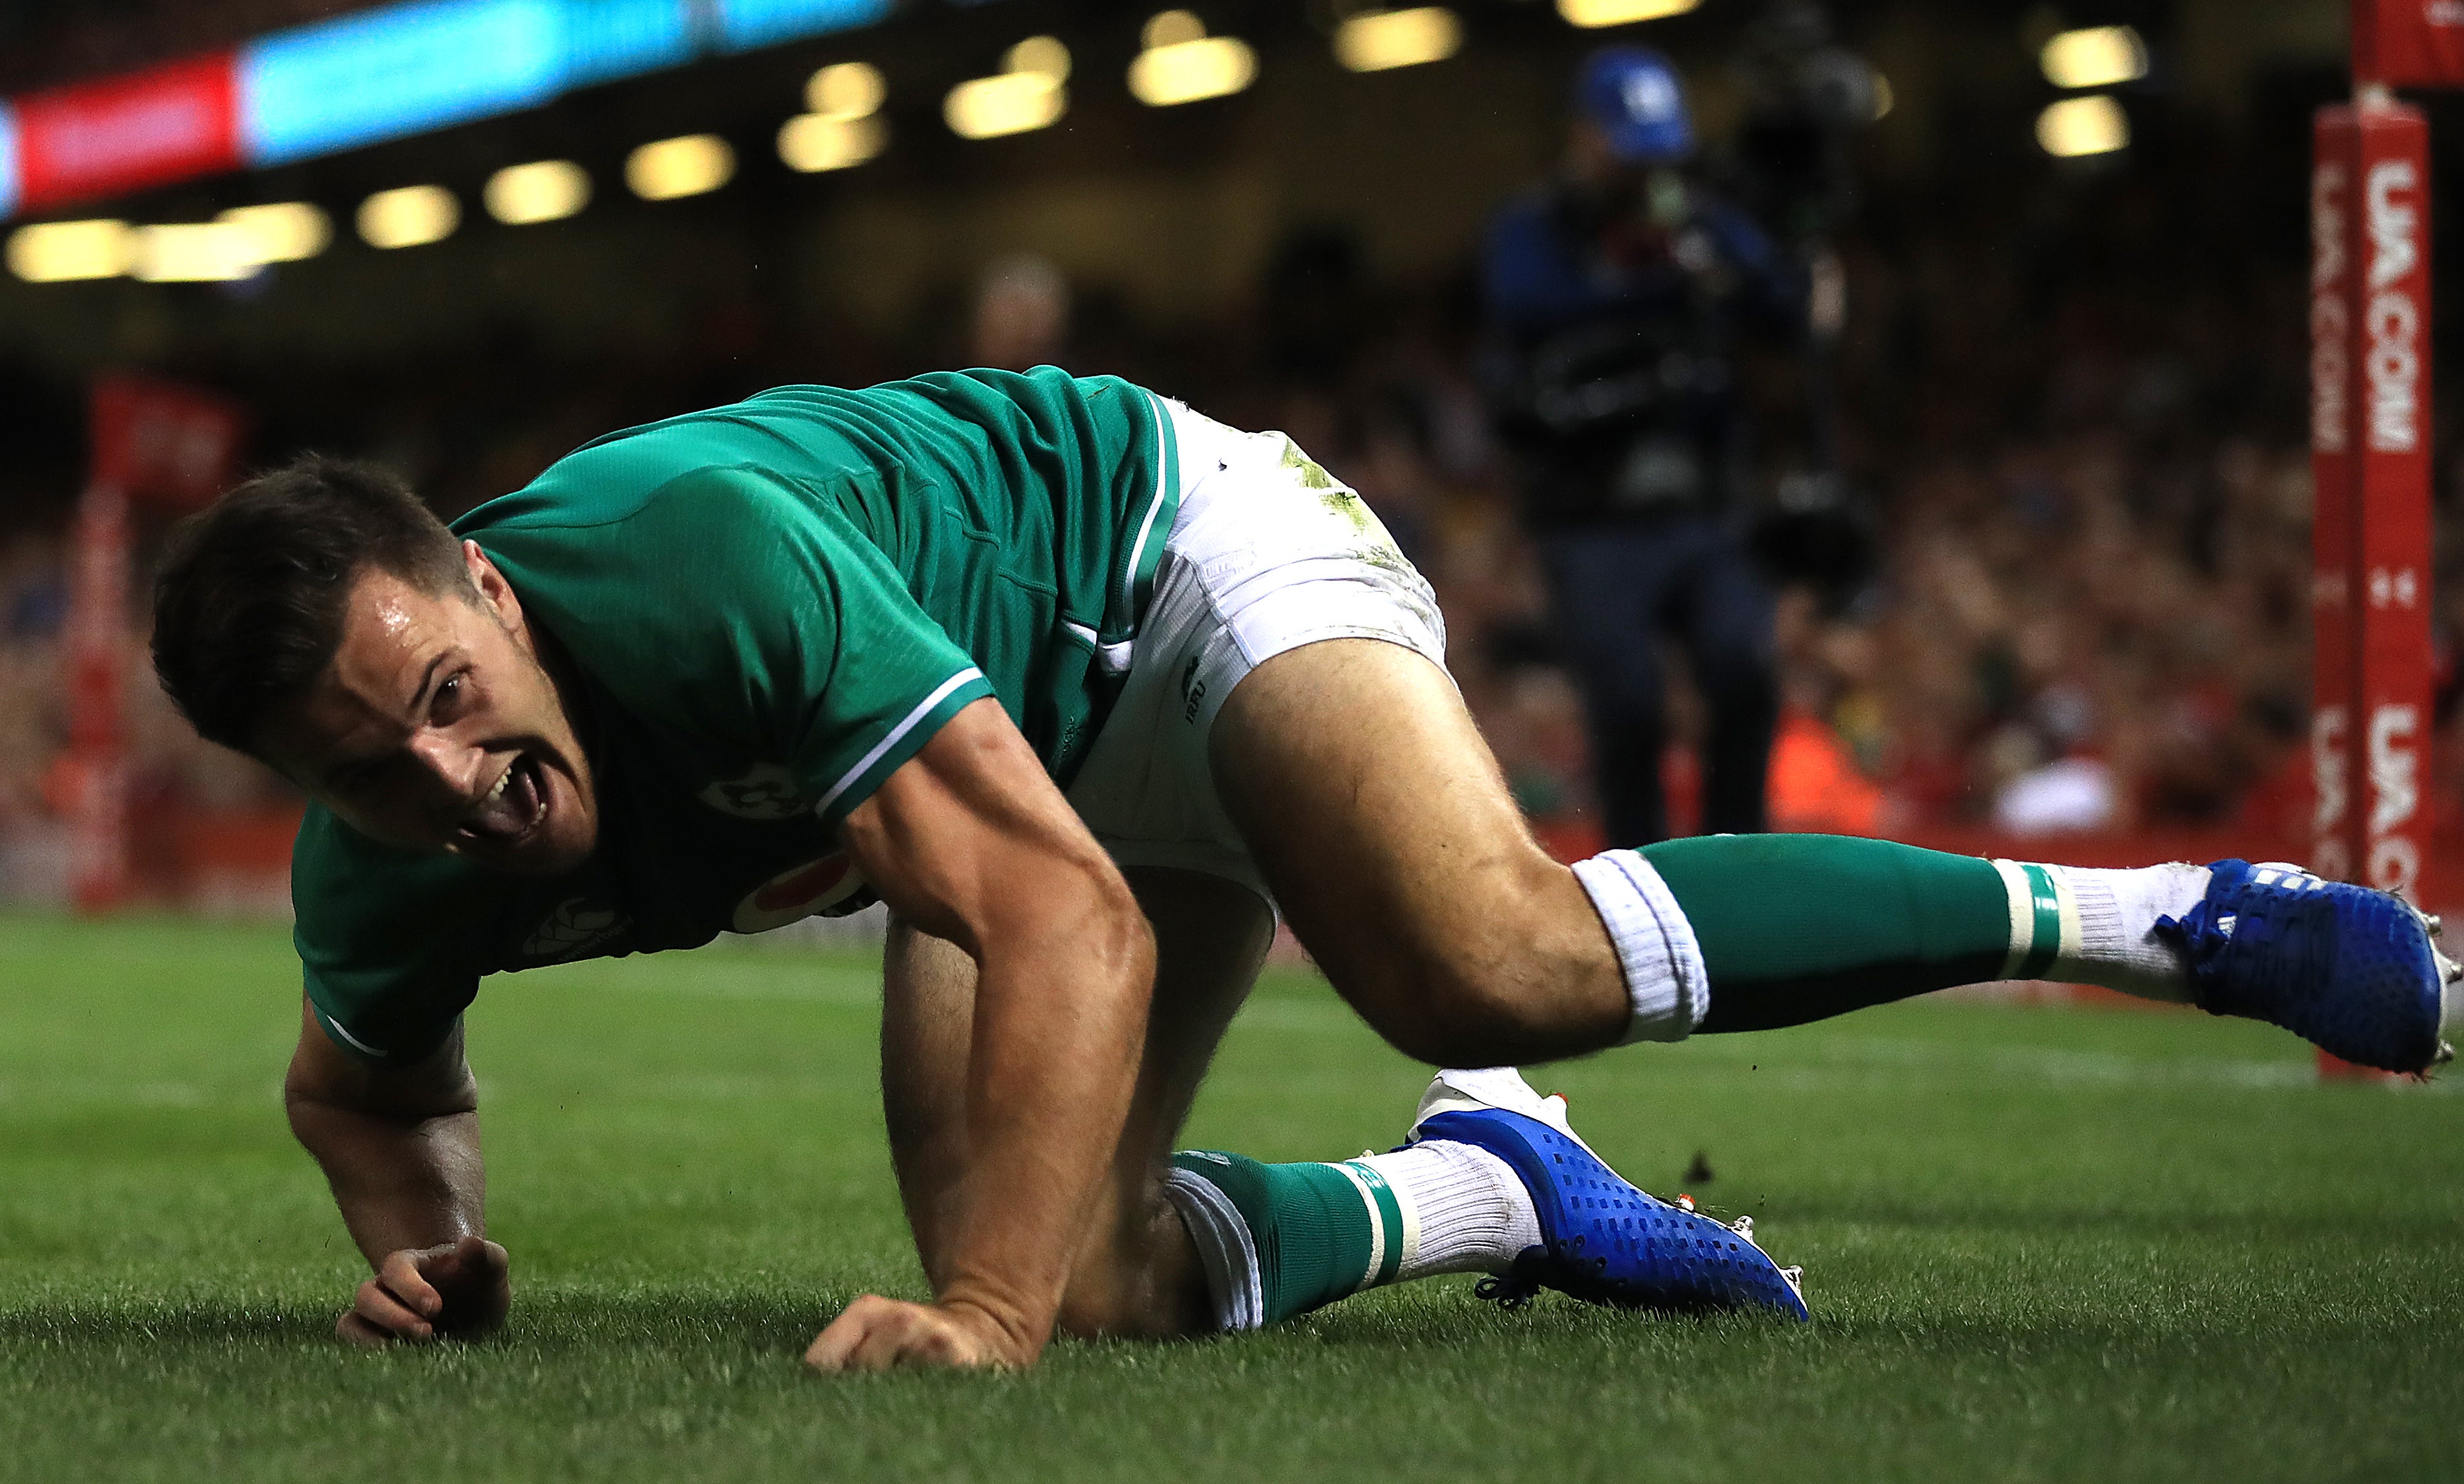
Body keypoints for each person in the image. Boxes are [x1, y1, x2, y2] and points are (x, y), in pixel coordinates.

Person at [148, 367, 2455, 1371]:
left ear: (485, 583)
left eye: (447, 696)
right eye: (370, 773)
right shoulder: (390, 868)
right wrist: (433, 1255)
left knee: (1487, 954)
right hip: (1006, 776)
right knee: (1111, 1274)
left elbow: (1061, 907)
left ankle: (2177, 918)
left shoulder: (684, 566)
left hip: (1160, 565)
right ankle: (1493, 1196)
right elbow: (357, 1088)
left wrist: (975, 1317)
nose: (449, 785)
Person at [1482, 47, 1803, 845]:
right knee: (1626, 703)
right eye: (1627, 154)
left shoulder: (1695, 222)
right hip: (1593, 516)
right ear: (1585, 139)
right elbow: (1524, 310)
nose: (1642, 175)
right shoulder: (1535, 231)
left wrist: (1728, 258)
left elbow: (1783, 305)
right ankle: (1643, 871)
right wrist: (1656, 281)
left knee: (1742, 669)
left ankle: (1741, 853)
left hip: (1703, 503)